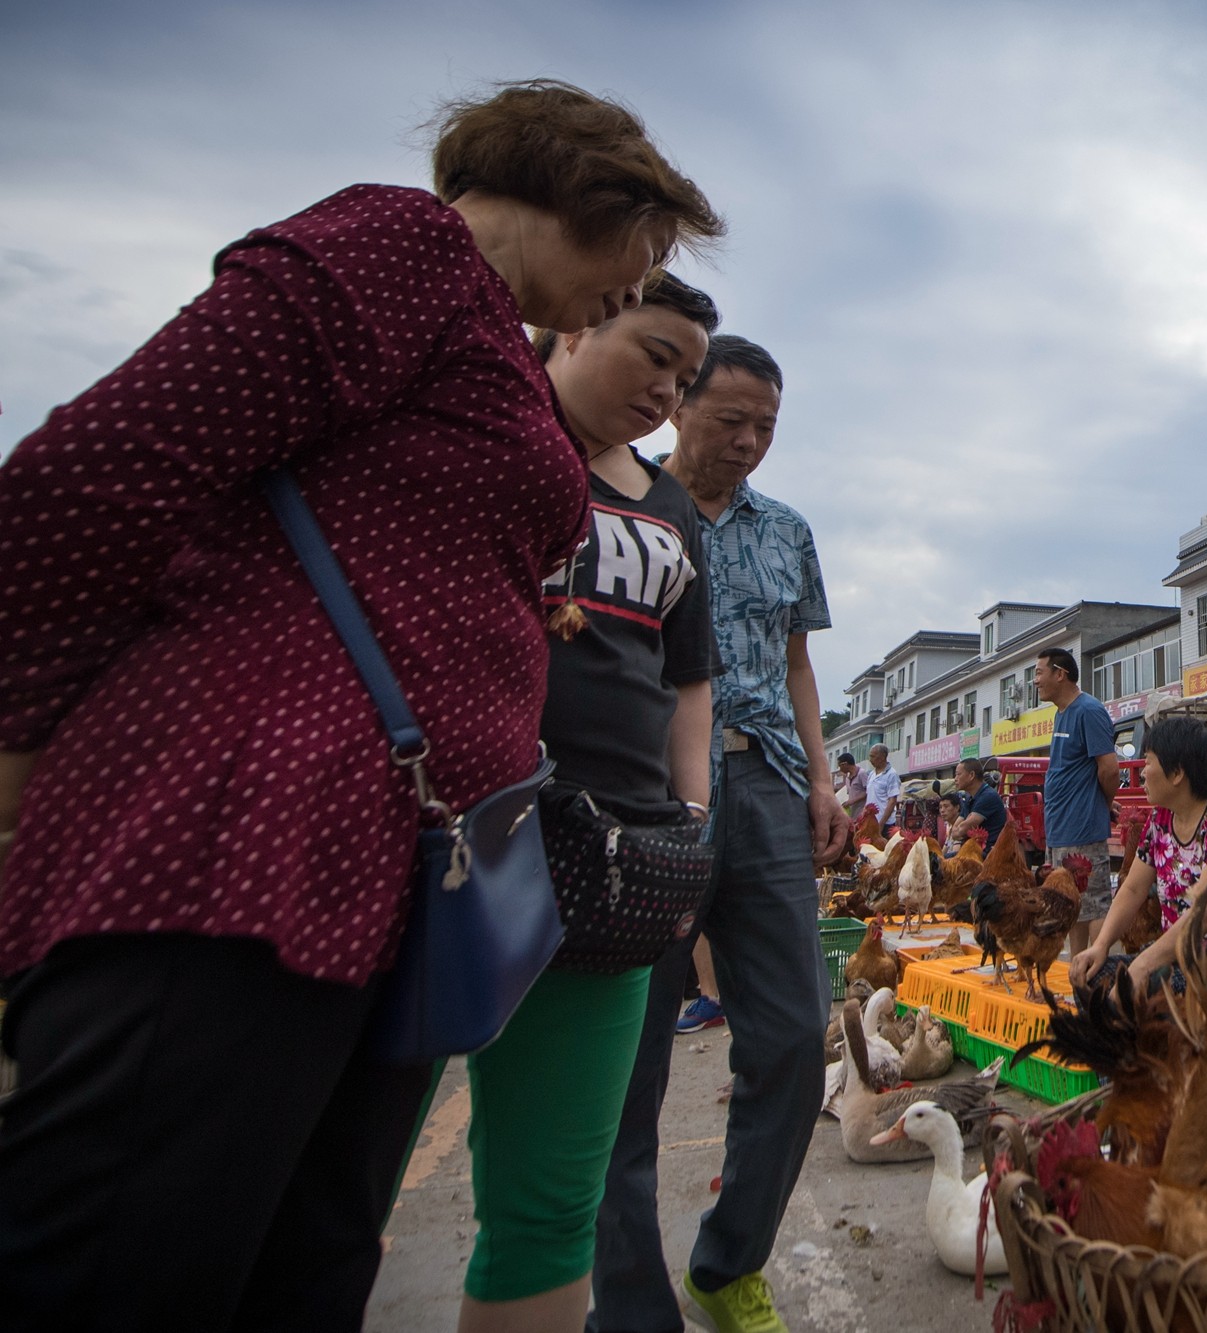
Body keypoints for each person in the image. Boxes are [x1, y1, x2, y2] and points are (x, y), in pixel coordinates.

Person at [0, 80, 722, 1332]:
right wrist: (18, 754)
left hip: (380, 883)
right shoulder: (397, 245)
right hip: (243, 851)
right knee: (136, 1256)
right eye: (643, 252)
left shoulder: (480, 332)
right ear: (584, 192)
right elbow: (89, 476)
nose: (636, 283)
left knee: (305, 1265)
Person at [445, 271, 723, 1333]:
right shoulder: (484, 437)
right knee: (332, 1180)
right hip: (454, 840)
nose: (666, 389)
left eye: (684, 375)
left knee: (553, 1203)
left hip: (610, 860)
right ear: (574, 319)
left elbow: (684, 675)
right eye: (652, 354)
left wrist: (688, 808)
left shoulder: (666, 508)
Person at [592, 336, 848, 1333]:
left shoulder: (786, 529)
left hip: (769, 789)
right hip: (643, 798)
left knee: (790, 1037)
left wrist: (820, 778)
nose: (747, 441)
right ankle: (623, 1298)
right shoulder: (627, 507)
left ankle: (727, 1261)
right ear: (677, 406)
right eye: (729, 419)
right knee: (624, 1053)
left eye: (766, 427)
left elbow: (795, 666)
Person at [1073, 717, 1207, 987]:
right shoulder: (1160, 821)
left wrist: (1144, 962)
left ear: (1177, 773)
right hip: (1184, 955)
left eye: (1149, 762)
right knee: (1091, 978)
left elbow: (1205, 913)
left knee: (1144, 987)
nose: (1142, 773)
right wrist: (1102, 945)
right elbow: (1133, 889)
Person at [1035, 647, 1119, 954]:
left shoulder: (1088, 711)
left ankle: (1098, 972)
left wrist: (1104, 805)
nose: (1035, 681)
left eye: (1039, 672)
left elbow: (1109, 769)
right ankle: (1078, 970)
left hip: (1082, 829)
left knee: (1094, 903)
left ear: (1061, 674)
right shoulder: (1061, 713)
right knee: (1071, 905)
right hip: (1061, 830)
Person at [948, 757, 1008, 847]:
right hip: (973, 850)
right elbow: (954, 832)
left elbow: (961, 830)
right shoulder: (969, 798)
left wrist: (962, 830)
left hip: (989, 853)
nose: (955, 779)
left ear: (971, 775)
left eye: (958, 774)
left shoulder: (988, 796)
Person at [863, 742, 901, 829]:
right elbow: (868, 798)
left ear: (883, 756)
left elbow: (892, 801)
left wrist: (882, 824)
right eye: (870, 756)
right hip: (870, 821)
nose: (870, 760)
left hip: (885, 824)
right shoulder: (871, 775)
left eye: (873, 756)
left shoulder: (892, 774)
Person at [833, 752, 868, 819]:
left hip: (862, 813)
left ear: (845, 764)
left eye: (840, 766)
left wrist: (852, 801)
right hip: (852, 814)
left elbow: (867, 792)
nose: (840, 769)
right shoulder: (847, 778)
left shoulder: (861, 773)